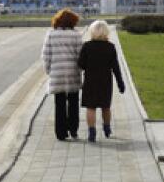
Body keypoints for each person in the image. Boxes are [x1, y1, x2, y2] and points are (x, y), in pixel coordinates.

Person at [78, 20, 125, 142]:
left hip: (90, 81)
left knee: (91, 107)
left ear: (92, 32)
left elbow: (81, 64)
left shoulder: (86, 46)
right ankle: (107, 128)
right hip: (105, 81)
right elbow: (116, 67)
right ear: (106, 32)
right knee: (105, 106)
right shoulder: (110, 47)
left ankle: (92, 131)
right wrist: (121, 83)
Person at [41, 8, 82, 140]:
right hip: (72, 72)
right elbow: (80, 55)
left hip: (57, 72)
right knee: (74, 102)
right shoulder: (77, 35)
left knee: (59, 104)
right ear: (73, 21)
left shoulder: (51, 34)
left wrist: (49, 70)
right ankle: (73, 129)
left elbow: (46, 55)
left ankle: (61, 133)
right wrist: (79, 70)